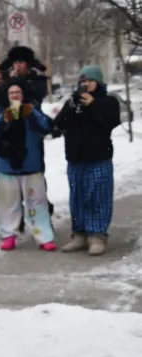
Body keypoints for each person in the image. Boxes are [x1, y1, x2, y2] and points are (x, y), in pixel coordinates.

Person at [52, 65, 121, 256]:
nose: (86, 84)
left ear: (98, 82)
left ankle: (97, 236)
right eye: (83, 81)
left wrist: (93, 105)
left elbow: (111, 121)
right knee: (77, 198)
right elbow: (58, 124)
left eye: (90, 81)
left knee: (98, 197)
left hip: (99, 158)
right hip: (76, 159)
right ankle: (79, 235)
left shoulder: (108, 101)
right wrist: (72, 105)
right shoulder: (73, 102)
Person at [0, 79, 56, 251]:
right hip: (6, 166)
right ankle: (8, 235)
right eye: (11, 93)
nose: (14, 96)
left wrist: (31, 113)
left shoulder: (32, 109)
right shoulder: (1, 110)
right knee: (7, 205)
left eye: (18, 92)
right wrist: (3, 118)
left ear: (23, 95)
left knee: (37, 204)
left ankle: (44, 237)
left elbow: (47, 126)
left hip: (31, 166)